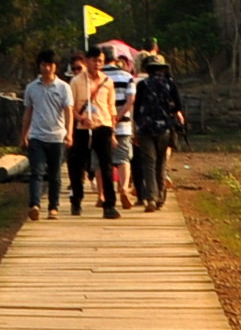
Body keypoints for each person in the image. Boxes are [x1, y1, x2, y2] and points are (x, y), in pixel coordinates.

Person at [18, 49, 72, 220]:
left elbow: (68, 111)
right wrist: (24, 134)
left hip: (57, 136)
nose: (47, 68)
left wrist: (69, 133)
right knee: (37, 172)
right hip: (37, 136)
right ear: (39, 66)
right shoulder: (31, 88)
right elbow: (28, 112)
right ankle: (34, 204)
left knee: (55, 175)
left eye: (50, 65)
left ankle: (53, 207)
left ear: (55, 67)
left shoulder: (64, 88)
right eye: (43, 65)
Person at [66, 49, 119, 218]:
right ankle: (76, 199)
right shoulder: (76, 81)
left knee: (106, 166)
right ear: (87, 61)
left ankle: (109, 204)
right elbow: (70, 107)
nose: (97, 64)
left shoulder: (108, 82)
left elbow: (111, 107)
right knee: (78, 165)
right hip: (82, 128)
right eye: (94, 60)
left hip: (102, 126)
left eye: (100, 61)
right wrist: (80, 118)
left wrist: (113, 131)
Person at [132, 51, 188, 210]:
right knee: (161, 162)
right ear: (163, 69)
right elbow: (178, 106)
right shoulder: (170, 85)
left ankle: (151, 197)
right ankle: (160, 198)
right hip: (164, 129)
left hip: (145, 129)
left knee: (148, 162)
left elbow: (136, 111)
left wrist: (136, 130)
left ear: (147, 69)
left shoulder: (142, 85)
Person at [102, 43, 141, 212]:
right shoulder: (127, 76)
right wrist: (119, 116)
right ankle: (124, 188)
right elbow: (131, 99)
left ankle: (102, 194)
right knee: (124, 158)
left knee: (103, 161)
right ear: (116, 59)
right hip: (123, 123)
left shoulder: (98, 76)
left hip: (102, 123)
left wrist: (109, 118)